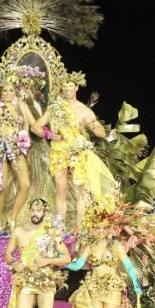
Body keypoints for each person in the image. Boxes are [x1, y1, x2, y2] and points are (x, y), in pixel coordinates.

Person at [31, 73, 115, 229]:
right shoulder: (55, 107)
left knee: (84, 190)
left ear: (76, 87)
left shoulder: (84, 110)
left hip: (78, 151)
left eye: (70, 85)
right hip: (59, 151)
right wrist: (49, 134)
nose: (67, 89)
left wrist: (91, 126)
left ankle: (80, 228)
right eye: (64, 86)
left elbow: (102, 133)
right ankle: (60, 228)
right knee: (60, 190)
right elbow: (35, 127)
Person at [65, 205, 143, 308]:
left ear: (109, 228)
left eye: (103, 227)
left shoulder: (116, 246)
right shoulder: (88, 247)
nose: (100, 231)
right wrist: (62, 261)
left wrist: (136, 284)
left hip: (112, 287)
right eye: (97, 228)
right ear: (92, 229)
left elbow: (128, 266)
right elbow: (77, 266)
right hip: (95, 287)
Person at [5, 198, 71, 308]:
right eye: (33, 210)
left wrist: (48, 261)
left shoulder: (52, 231)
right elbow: (8, 254)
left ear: (45, 212)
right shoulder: (19, 230)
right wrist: (15, 265)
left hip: (46, 279)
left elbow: (67, 258)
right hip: (25, 279)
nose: (35, 214)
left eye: (38, 210)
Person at [0, 80, 35, 230]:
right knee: (3, 187)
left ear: (15, 92)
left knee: (25, 184)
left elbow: (34, 124)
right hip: (0, 149)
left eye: (11, 90)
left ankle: (12, 216)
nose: (8, 93)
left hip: (16, 148)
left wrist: (48, 133)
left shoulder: (21, 108)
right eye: (5, 91)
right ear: (0, 93)